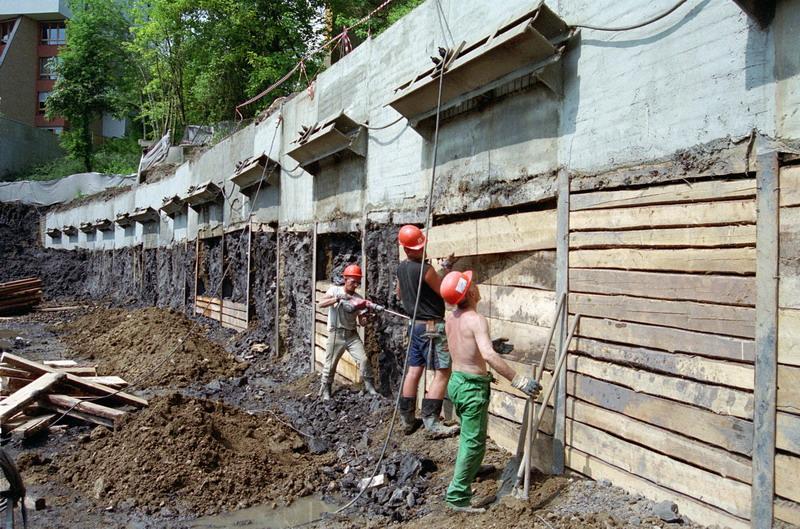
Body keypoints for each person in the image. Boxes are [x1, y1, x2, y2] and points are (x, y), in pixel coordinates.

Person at [440, 269, 542, 513]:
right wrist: (518, 381)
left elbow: (463, 346)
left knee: (470, 436)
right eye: (473, 283)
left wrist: (488, 346)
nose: (476, 285)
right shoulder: (476, 319)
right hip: (472, 388)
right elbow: (487, 355)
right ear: (471, 291)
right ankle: (457, 497)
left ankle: (471, 470)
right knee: (473, 442)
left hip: (457, 381)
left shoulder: (452, 317)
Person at [395, 224, 458, 437]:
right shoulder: (425, 269)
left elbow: (400, 294)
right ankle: (431, 422)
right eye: (419, 246)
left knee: (414, 370)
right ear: (410, 248)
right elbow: (444, 290)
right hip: (432, 327)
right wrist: (447, 269)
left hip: (415, 325)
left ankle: (407, 419)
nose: (423, 249)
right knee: (442, 371)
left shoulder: (402, 268)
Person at [317, 263, 379, 401]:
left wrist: (369, 317)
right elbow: (321, 303)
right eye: (353, 281)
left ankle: (370, 387)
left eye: (358, 282)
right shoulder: (334, 290)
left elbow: (361, 322)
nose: (355, 285)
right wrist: (339, 298)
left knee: (363, 360)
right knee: (330, 364)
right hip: (336, 334)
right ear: (345, 279)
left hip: (351, 335)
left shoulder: (358, 298)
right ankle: (326, 389)